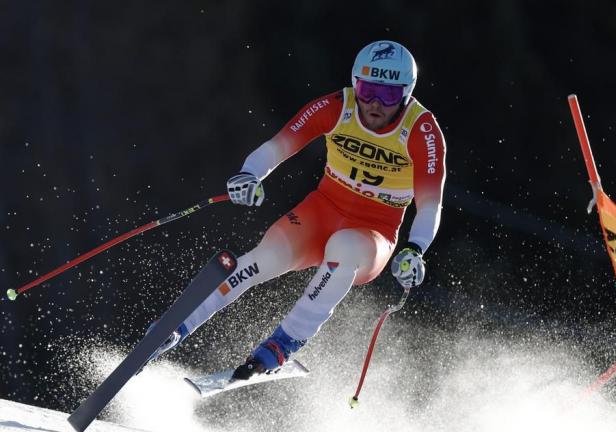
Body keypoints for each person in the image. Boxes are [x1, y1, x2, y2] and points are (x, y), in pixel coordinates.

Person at [150, 40, 446, 379]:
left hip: (373, 232)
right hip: (321, 211)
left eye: (389, 95)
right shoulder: (338, 106)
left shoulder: (422, 131)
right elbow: (278, 146)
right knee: (265, 258)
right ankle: (176, 326)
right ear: (355, 83)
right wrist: (249, 175)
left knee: (344, 248)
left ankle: (284, 342)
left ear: (407, 94)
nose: (375, 104)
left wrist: (414, 249)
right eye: (367, 90)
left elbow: (429, 204)